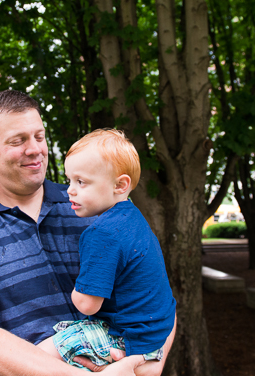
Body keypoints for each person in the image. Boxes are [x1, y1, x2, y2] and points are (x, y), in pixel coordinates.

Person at [0, 90, 176, 376]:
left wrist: (148, 365)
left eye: (39, 136)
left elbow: (153, 292)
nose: (35, 149)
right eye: (18, 140)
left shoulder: (96, 206)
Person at [37, 129, 176, 369]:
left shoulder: (102, 233)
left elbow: (88, 304)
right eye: (70, 180)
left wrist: (76, 293)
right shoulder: (133, 217)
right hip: (155, 333)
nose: (70, 189)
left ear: (120, 185)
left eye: (81, 182)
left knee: (38, 356)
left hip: (127, 338)